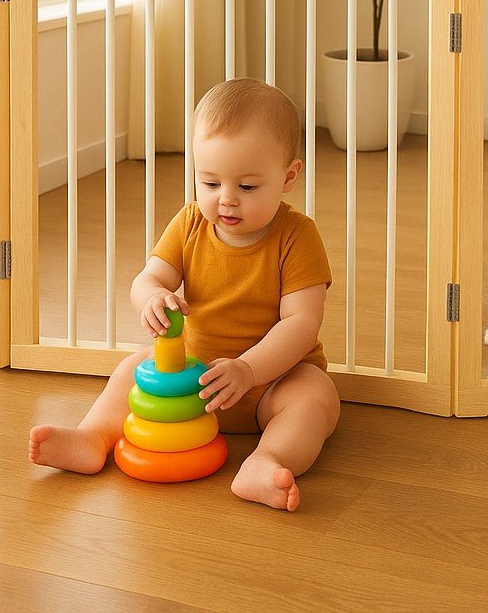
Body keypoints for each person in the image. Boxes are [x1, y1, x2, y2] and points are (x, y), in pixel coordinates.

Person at [29, 78, 340, 511]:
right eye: (210, 183)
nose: (226, 200)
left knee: (317, 396)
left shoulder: (297, 237)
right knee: (131, 368)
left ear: (288, 177)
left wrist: (249, 370)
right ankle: (91, 438)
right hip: (190, 380)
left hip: (272, 383)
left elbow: (302, 323)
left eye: (247, 187)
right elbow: (147, 278)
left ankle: (266, 460)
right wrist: (153, 297)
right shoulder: (190, 223)